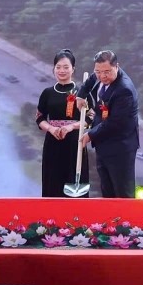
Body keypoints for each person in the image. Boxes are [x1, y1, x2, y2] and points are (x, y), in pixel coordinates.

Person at [78, 50, 140, 199]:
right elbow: (92, 78)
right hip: (104, 144)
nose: (102, 76)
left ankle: (126, 216)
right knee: (107, 191)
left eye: (106, 72)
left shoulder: (124, 90)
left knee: (122, 193)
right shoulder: (102, 72)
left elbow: (115, 123)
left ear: (116, 66)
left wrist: (91, 134)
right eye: (98, 72)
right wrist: (81, 94)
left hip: (120, 148)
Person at [35, 49, 90, 198]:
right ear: (53, 69)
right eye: (58, 67)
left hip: (75, 143)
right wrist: (51, 129)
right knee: (52, 184)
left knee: (74, 183)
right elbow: (39, 118)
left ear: (73, 69)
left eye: (66, 67)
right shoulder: (47, 93)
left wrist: (71, 126)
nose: (62, 71)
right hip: (53, 143)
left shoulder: (82, 92)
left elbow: (90, 119)